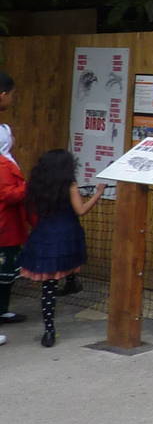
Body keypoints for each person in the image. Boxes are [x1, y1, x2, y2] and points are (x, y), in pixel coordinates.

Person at [18, 149, 101, 348]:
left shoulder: (36, 185)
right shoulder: (69, 185)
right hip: (66, 234)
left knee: (48, 286)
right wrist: (98, 193)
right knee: (69, 262)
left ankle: (49, 330)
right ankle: (72, 282)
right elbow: (80, 210)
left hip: (43, 234)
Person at [0, 71, 31, 344]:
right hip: (3, 223)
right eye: (11, 94)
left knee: (7, 270)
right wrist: (27, 189)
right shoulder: (1, 165)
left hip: (9, 223)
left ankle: (3, 310)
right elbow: (7, 194)